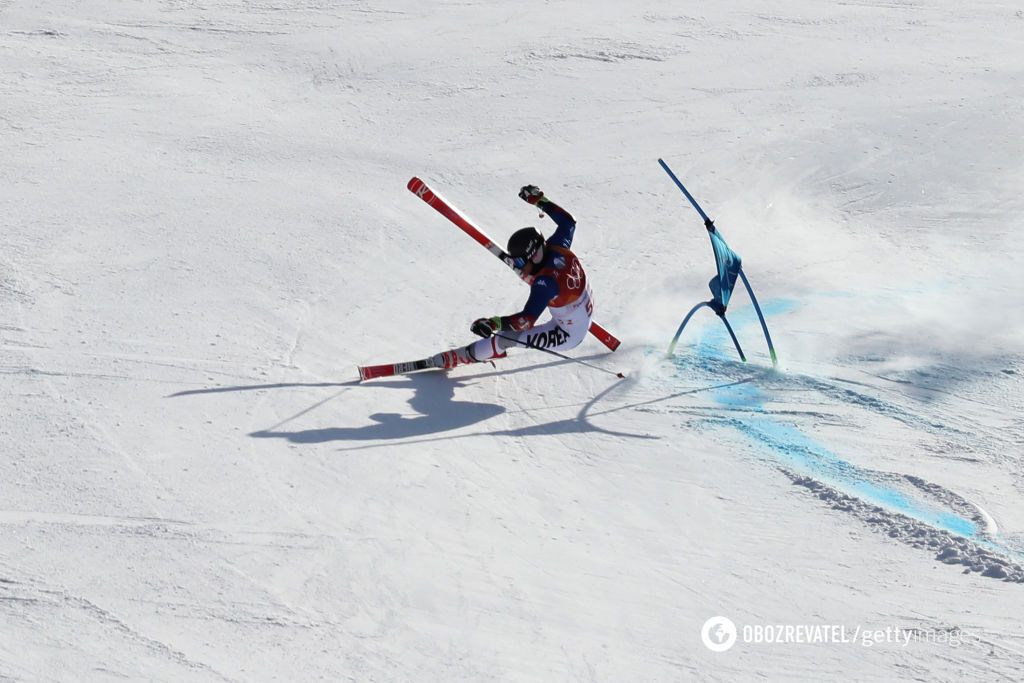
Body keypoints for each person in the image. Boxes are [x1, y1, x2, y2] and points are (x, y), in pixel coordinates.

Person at [432, 185, 594, 370]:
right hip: (582, 309)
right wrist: (539, 200)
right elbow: (568, 223)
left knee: (505, 338)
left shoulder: (544, 284)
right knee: (546, 294)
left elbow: (525, 321)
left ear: (534, 255)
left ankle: (463, 356)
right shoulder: (557, 246)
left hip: (566, 334)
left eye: (519, 263)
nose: (518, 267)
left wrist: (493, 323)